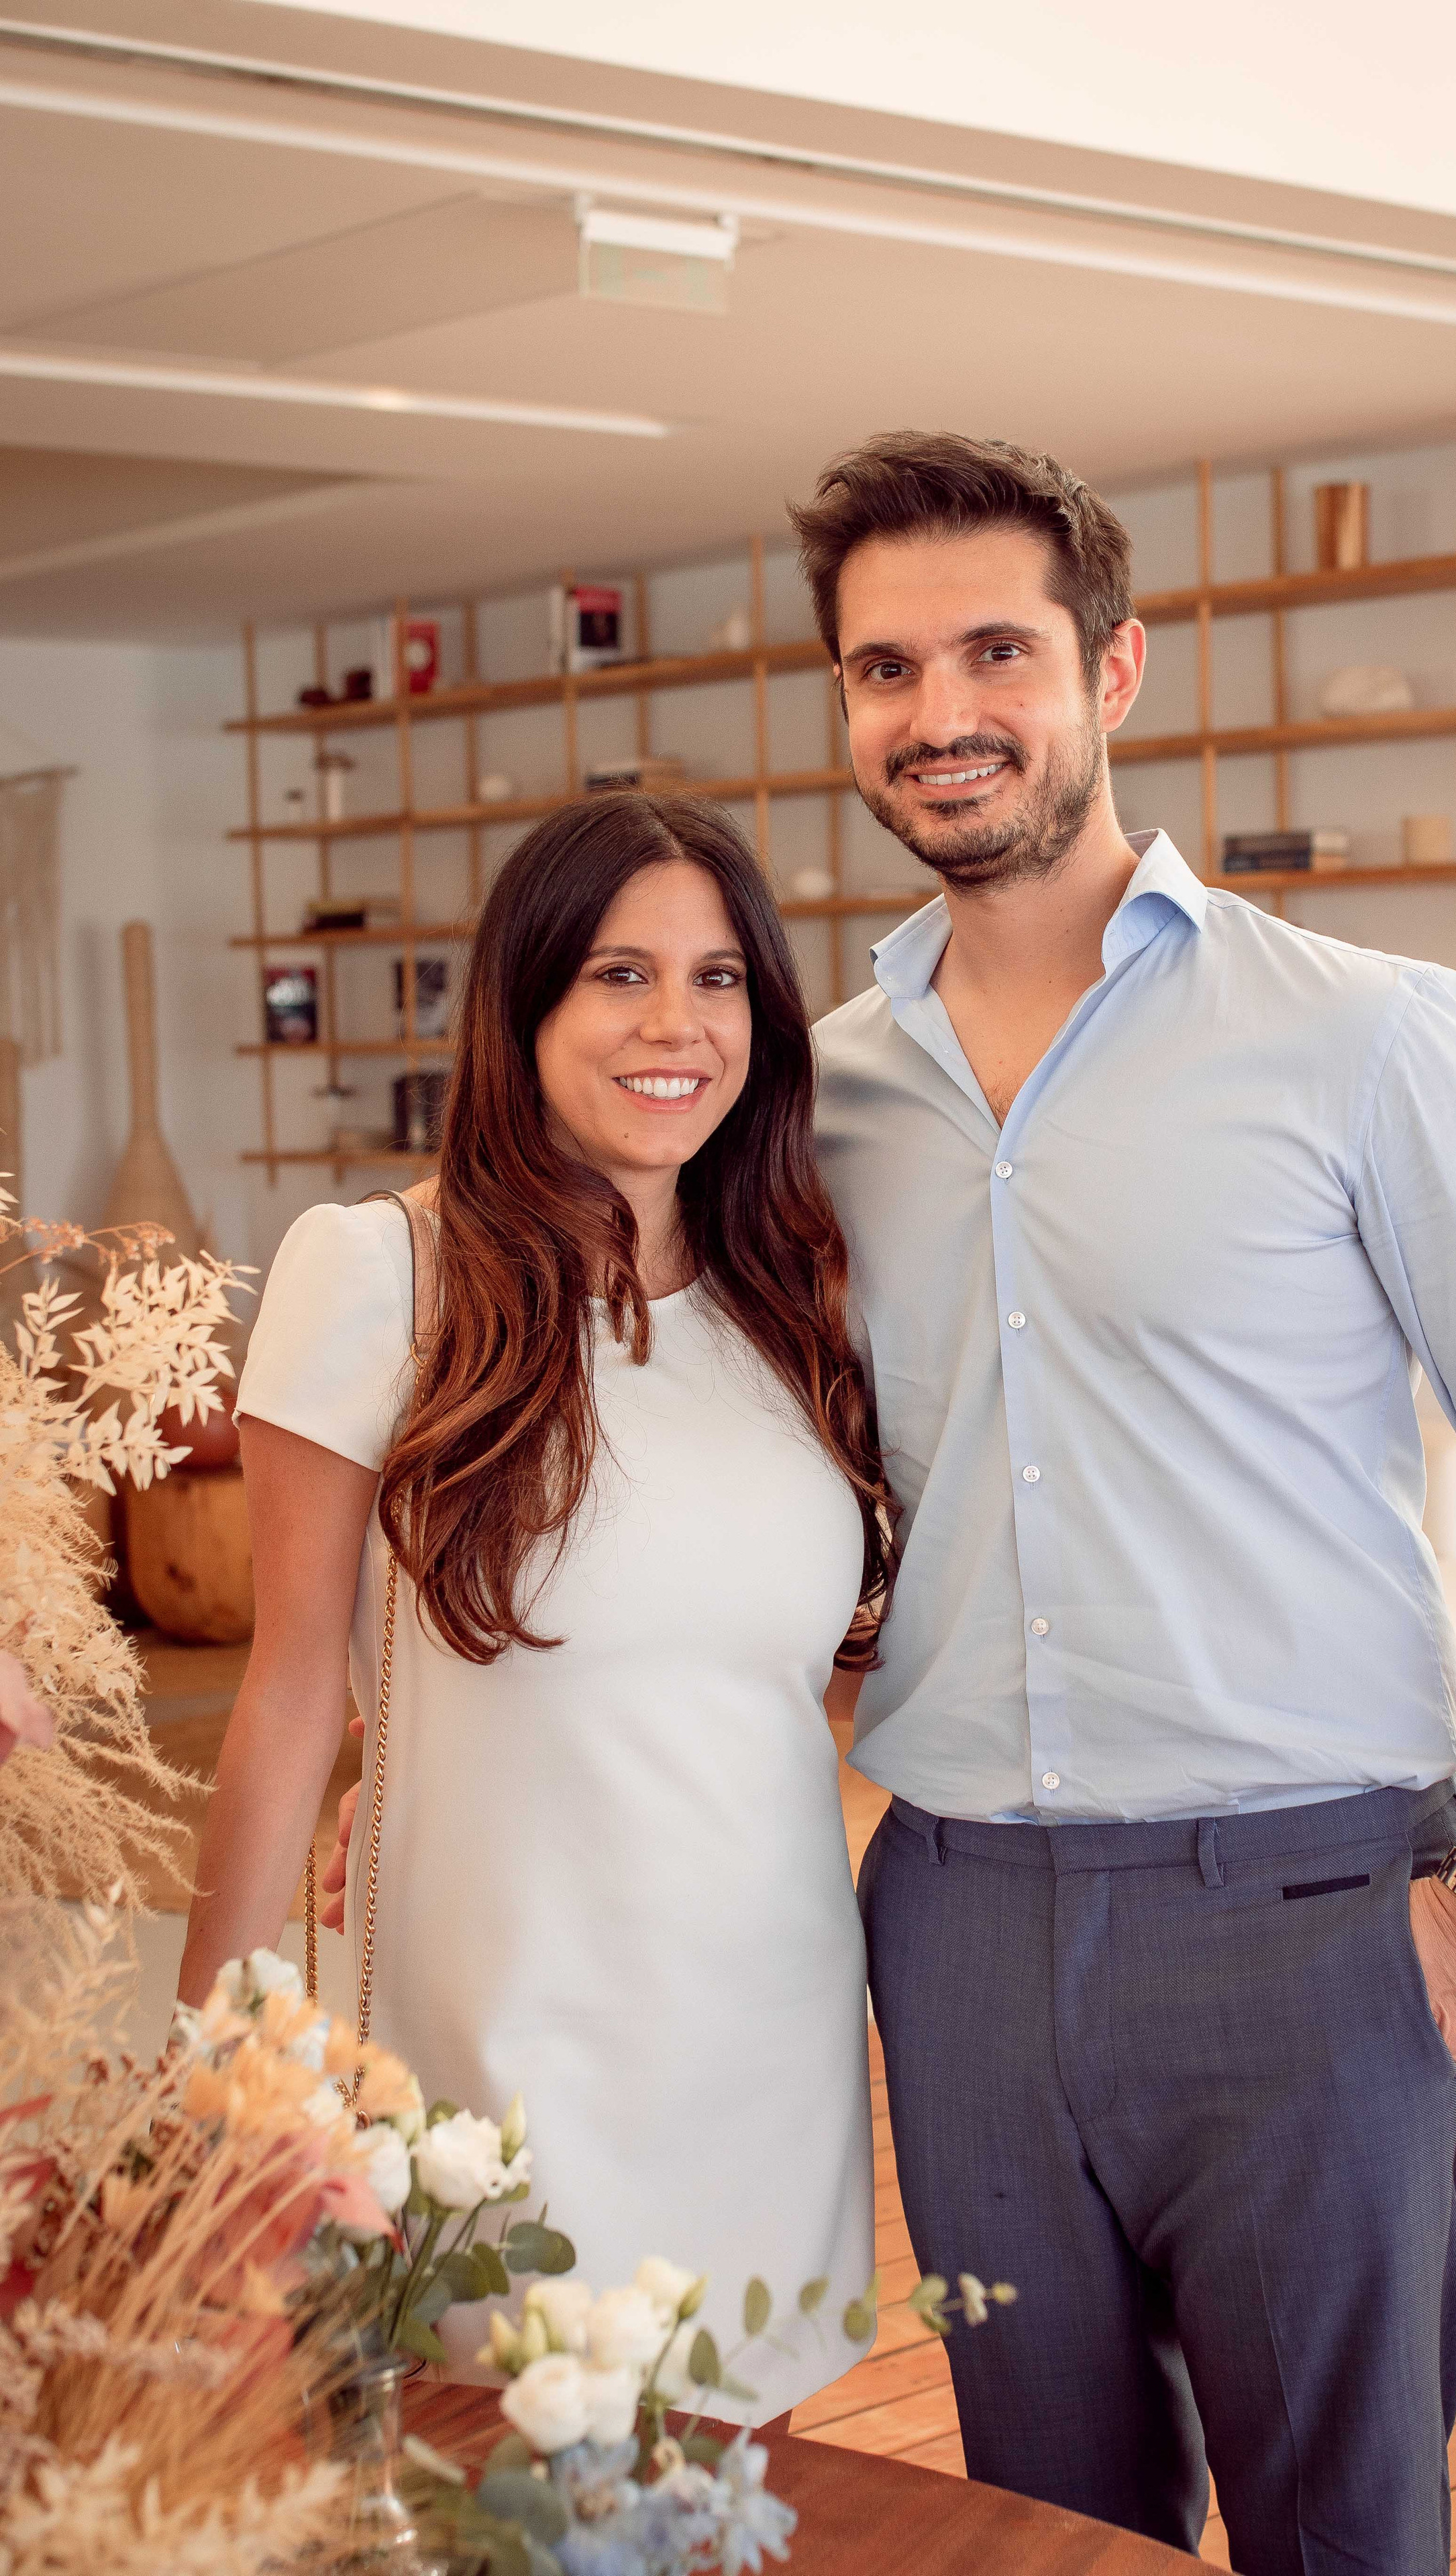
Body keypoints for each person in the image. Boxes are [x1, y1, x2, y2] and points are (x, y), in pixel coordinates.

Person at [794, 433, 1456, 2571]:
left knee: (1343, 2537)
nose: (940, 712)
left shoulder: (1363, 1035)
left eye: (995, 651)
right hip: (960, 1923)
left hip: (1314, 1925)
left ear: (1113, 670)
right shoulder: (816, 1097)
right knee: (1042, 2534)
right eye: (886, 668)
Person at [177, 795, 892, 2410]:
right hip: (497, 2054)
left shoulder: (794, 1295)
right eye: (617, 974)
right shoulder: (379, 1273)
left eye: (717, 979)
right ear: (523, 1004)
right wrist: (206, 2087)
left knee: (737, 2480)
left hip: (768, 2043)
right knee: (495, 2472)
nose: (673, 1024)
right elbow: (289, 1694)